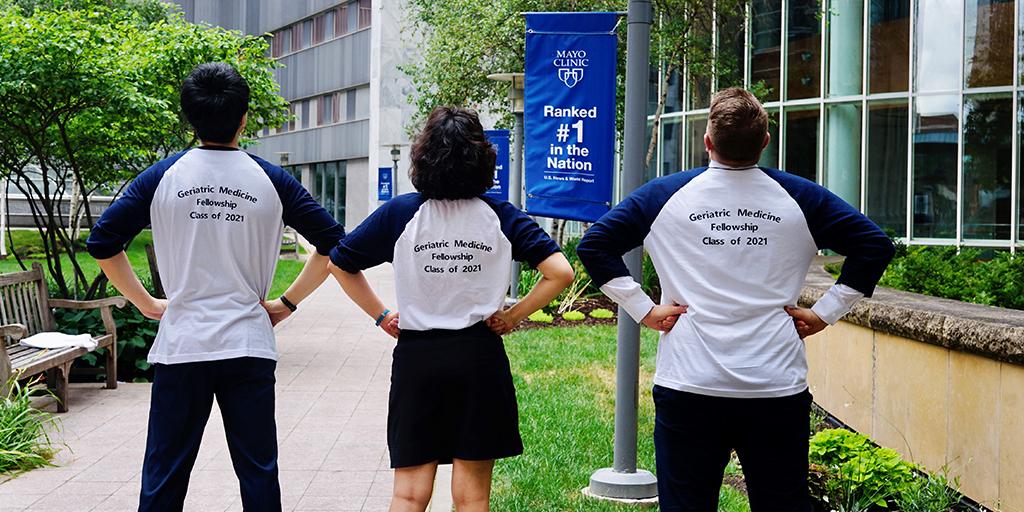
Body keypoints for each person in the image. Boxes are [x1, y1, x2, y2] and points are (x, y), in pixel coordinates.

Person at [577, 87, 895, 511]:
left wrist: (644, 310)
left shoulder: (663, 196)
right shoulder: (801, 198)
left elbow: (594, 245)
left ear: (707, 142)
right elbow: (875, 245)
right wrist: (824, 314)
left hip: (689, 383)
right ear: (765, 142)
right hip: (775, 385)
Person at [86, 62, 345, 512]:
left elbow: (103, 242)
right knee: (258, 471)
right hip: (248, 343)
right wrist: (287, 303)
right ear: (244, 118)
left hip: (183, 345)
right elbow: (334, 244)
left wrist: (145, 303)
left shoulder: (162, 177)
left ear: (190, 118)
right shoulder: (272, 180)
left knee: (164, 473)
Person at [328, 106, 574, 512]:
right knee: (472, 498)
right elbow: (560, 272)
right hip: (479, 357)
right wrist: (513, 316)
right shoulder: (501, 215)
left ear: (423, 156)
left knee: (409, 494)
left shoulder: (401, 213)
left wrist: (381, 314)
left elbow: (340, 263)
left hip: (417, 358)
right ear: (483, 159)